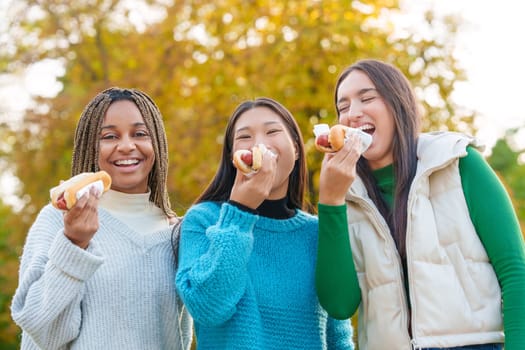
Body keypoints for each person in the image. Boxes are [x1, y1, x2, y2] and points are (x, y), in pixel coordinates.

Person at [315, 59, 525, 350]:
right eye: (343, 107)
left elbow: (515, 272)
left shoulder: (458, 163)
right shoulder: (345, 195)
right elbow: (339, 304)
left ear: (398, 103)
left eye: (367, 98)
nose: (353, 113)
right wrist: (330, 200)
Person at [11, 87, 193, 349]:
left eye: (140, 134)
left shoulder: (178, 234)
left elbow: (182, 336)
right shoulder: (57, 221)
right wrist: (74, 244)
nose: (127, 145)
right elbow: (44, 332)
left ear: (157, 144)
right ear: (90, 146)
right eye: (109, 136)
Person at [175, 97, 354, 349]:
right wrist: (240, 210)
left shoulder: (317, 233)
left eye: (272, 131)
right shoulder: (203, 220)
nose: (259, 144)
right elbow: (208, 307)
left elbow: (338, 336)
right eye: (245, 137)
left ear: (296, 147)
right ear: (232, 156)